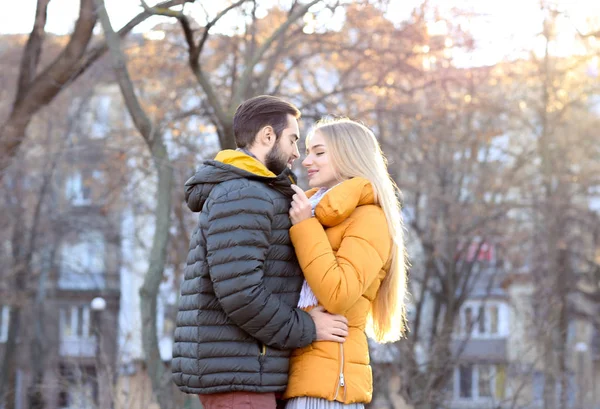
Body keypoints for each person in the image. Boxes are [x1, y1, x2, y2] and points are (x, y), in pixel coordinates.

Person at [172, 96, 349, 409]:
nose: (297, 152)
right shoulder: (244, 193)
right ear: (268, 136)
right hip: (240, 376)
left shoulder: (256, 191)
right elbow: (241, 293)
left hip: (249, 371)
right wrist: (308, 327)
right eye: (293, 139)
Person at [283, 118, 409, 408]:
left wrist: (305, 227)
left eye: (319, 152)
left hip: (327, 388)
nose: (306, 161)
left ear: (348, 155)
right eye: (307, 151)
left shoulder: (370, 218)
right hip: (304, 375)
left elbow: (338, 295)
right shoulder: (319, 214)